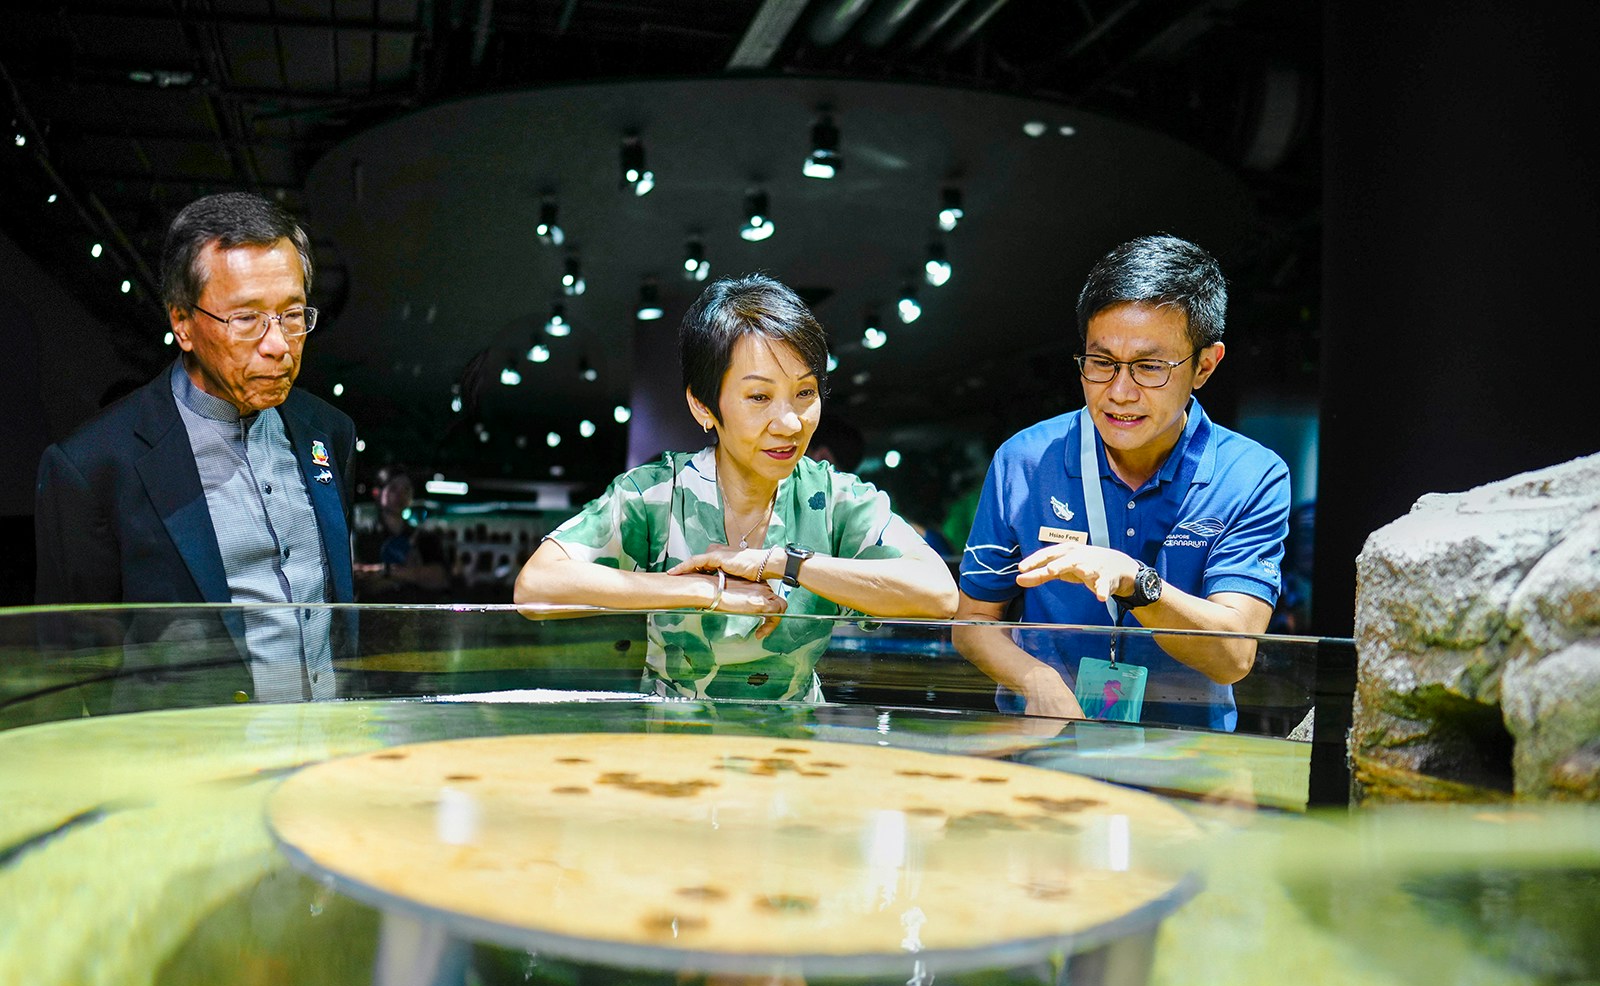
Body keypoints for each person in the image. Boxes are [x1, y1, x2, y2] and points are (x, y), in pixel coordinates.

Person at [514, 274, 957, 701]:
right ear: (703, 405)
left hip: (793, 754)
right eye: (759, 397)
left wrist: (782, 562)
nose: (789, 424)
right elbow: (537, 586)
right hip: (674, 752)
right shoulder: (657, 493)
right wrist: (708, 593)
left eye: (804, 393)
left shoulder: (836, 499)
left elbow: (938, 595)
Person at [953, 234, 1290, 731]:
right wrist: (1035, 679)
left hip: (1186, 756)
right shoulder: (1024, 460)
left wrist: (1137, 582)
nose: (1120, 392)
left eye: (1150, 367)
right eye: (1101, 362)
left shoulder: (1252, 474)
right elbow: (973, 622)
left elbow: (1234, 656)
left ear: (1205, 365)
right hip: (1049, 747)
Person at [34, 191, 355, 703]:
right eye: (246, 319)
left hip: (323, 760)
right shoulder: (95, 466)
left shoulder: (329, 433)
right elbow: (68, 671)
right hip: (190, 766)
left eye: (292, 315)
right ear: (182, 322)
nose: (278, 345)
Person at [353, 465, 452, 601]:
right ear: (377, 493)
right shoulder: (363, 535)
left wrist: (383, 572)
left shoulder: (424, 537)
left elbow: (440, 578)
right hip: (373, 617)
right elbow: (361, 580)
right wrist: (413, 575)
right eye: (393, 488)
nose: (401, 495)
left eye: (406, 489)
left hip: (414, 617)